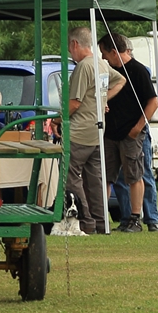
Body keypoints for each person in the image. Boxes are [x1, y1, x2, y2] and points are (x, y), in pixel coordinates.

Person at [63, 27, 121, 235]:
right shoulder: (102, 64)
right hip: (97, 130)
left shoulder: (83, 67)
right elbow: (120, 80)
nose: (70, 53)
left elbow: (74, 103)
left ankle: (85, 220)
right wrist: (102, 100)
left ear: (75, 44)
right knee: (95, 179)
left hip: (80, 131)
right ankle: (100, 221)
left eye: (69, 47)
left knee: (71, 176)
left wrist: (58, 119)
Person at [101, 32, 158, 233]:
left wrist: (137, 128)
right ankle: (108, 219)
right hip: (110, 133)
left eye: (104, 53)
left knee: (136, 175)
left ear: (114, 52)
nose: (102, 58)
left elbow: (153, 102)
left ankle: (139, 218)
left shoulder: (138, 71)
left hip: (131, 133)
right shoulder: (107, 72)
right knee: (110, 176)